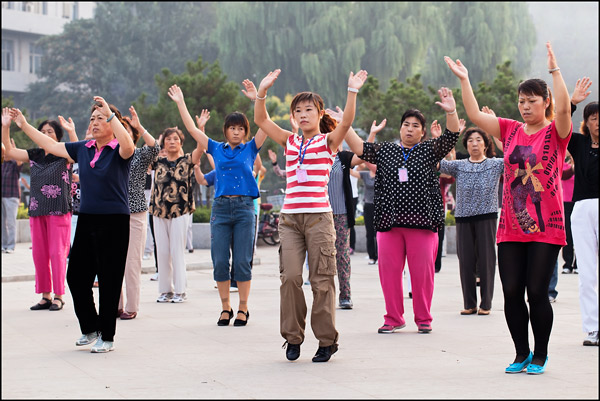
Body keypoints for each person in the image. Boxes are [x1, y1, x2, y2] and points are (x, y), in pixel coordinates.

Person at [446, 42, 572, 374]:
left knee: (536, 292)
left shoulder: (556, 133)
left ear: (545, 102)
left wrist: (555, 71)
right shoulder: (511, 129)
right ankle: (521, 353)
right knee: (512, 291)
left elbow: (563, 112)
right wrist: (465, 79)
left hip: (547, 227)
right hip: (511, 228)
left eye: (532, 101)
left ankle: (541, 355)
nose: (525, 107)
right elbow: (474, 117)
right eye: (521, 101)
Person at [253, 68, 368, 362]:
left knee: (322, 280)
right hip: (290, 219)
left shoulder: (327, 142)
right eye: (298, 110)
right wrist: (262, 92)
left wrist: (352, 90)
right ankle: (293, 337)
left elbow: (348, 122)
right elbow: (261, 120)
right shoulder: (290, 142)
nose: (303, 115)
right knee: (290, 277)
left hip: (319, 218)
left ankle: (327, 341)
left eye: (309, 110)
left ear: (318, 114)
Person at [10, 96, 136, 353]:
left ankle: (107, 336)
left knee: (110, 281)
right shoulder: (84, 148)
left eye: (101, 118)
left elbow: (129, 144)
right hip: (88, 219)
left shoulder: (120, 149)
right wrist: (23, 124)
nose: (95, 122)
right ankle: (90, 328)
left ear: (114, 123)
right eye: (92, 118)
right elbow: (50, 144)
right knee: (76, 277)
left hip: (115, 220)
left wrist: (110, 113)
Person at [345, 86, 461, 336]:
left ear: (422, 132)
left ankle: (423, 318)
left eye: (415, 125)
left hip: (422, 224)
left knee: (422, 276)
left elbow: (451, 136)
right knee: (389, 275)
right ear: (400, 128)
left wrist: (452, 112)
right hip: (389, 223)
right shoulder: (386, 151)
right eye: (406, 124)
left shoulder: (430, 150)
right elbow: (358, 147)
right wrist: (343, 121)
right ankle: (394, 317)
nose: (410, 128)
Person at [169, 84, 263, 326]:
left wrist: (257, 99)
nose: (236, 132)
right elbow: (191, 129)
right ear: (225, 130)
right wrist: (181, 101)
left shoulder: (251, 148)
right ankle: (225, 308)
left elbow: (265, 124)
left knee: (242, 260)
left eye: (240, 129)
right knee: (220, 260)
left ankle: (243, 308)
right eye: (232, 128)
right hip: (220, 209)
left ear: (245, 132)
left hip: (244, 209)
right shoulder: (215, 148)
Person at [2, 109, 76, 311]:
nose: (45, 133)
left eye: (50, 131)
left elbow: (78, 152)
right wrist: (6, 126)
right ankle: (45, 295)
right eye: (42, 130)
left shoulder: (64, 152)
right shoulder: (34, 154)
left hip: (59, 210)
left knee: (57, 253)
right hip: (37, 208)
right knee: (40, 255)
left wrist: (71, 132)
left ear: (57, 136)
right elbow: (8, 152)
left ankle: (59, 295)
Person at [438, 127, 504, 316]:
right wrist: (440, 139)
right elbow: (437, 163)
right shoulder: (459, 165)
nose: (474, 144)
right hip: (464, 217)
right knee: (465, 260)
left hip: (487, 216)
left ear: (485, 144)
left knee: (487, 260)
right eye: (470, 141)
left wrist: (498, 133)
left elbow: (515, 160)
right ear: (466, 145)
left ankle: (486, 304)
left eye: (478, 140)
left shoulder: (495, 164)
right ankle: (469, 303)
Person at [148, 123, 202, 304]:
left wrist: (200, 128)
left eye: (175, 139)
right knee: (162, 251)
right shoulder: (157, 161)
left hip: (180, 210)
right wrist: (140, 127)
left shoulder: (187, 160)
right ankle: (165, 291)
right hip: (158, 211)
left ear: (181, 142)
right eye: (168, 139)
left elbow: (202, 146)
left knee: (176, 250)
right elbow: (150, 147)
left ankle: (180, 291)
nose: (172, 142)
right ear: (163, 143)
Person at [117, 106, 160, 319]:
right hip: (112, 213)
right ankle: (115, 304)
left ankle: (131, 307)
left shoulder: (139, 155)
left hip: (135, 214)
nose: (121, 133)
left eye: (125, 130)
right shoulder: (110, 155)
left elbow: (155, 147)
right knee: (112, 261)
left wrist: (140, 127)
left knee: (132, 262)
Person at [568, 100, 598, 347]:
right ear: (587, 122)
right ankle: (592, 329)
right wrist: (572, 103)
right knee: (587, 272)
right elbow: (560, 125)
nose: (598, 122)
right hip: (583, 208)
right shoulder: (578, 143)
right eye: (594, 117)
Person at [1, 143, 23, 254]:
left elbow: (20, 162)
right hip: (2, 196)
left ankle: (10, 246)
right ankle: (3, 245)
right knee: (2, 223)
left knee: (11, 223)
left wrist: (15, 149)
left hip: (11, 197)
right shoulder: (2, 164)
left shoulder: (15, 164)